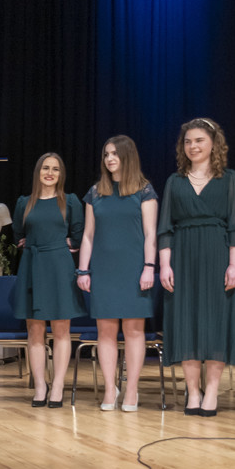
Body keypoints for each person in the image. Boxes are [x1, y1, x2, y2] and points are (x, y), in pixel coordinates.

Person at [158, 118, 235, 417]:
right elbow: (165, 228)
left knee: (215, 323)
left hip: (217, 254)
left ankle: (212, 391)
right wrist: (165, 265)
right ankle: (193, 392)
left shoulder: (230, 179)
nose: (193, 146)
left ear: (213, 144)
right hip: (182, 256)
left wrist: (234, 265)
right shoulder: (175, 181)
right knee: (186, 322)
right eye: (188, 141)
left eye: (199, 140)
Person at [76, 136, 157, 411]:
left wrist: (149, 267)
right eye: (106, 154)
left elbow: (150, 234)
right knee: (106, 331)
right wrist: (83, 270)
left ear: (128, 156)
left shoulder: (144, 190)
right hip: (104, 269)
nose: (110, 159)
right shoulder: (96, 192)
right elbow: (88, 235)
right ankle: (111, 388)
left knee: (134, 330)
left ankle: (132, 389)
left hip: (134, 268)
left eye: (115, 154)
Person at [11, 153, 85, 408]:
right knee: (35, 329)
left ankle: (58, 385)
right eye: (45, 168)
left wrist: (65, 244)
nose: (50, 173)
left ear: (61, 174)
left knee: (61, 328)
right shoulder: (24, 202)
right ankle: (40, 386)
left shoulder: (70, 201)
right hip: (32, 265)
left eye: (55, 169)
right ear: (38, 172)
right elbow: (18, 234)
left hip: (59, 267)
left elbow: (78, 234)